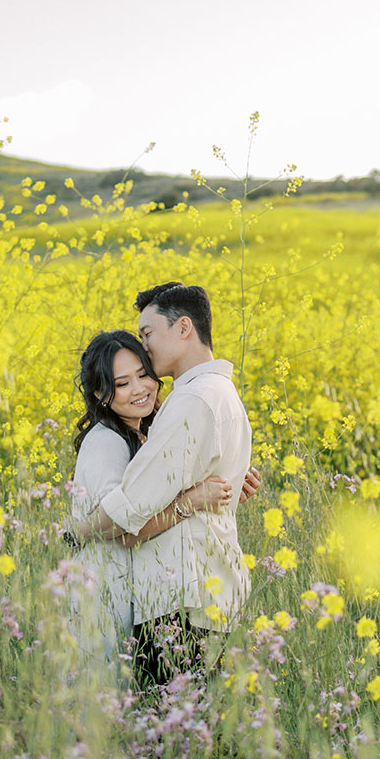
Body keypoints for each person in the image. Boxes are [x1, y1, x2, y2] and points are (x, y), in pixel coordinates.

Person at [73, 283, 254, 683]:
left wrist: (75, 533)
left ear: (184, 327)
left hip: (181, 599)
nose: (145, 345)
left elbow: (126, 517)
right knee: (182, 731)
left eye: (148, 333)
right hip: (205, 595)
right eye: (122, 383)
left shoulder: (191, 402)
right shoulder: (222, 393)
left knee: (164, 735)